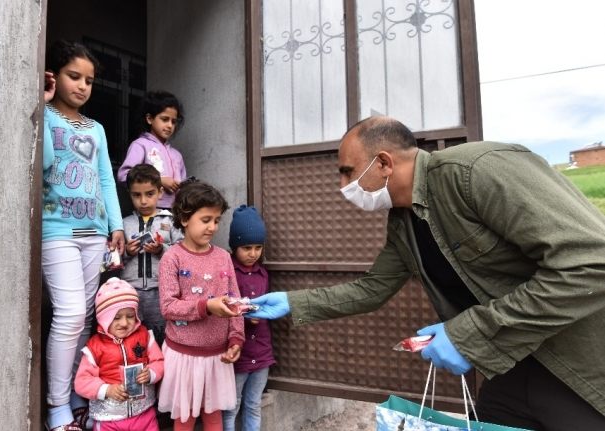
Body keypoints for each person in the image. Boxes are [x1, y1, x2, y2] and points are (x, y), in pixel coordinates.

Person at [247, 116, 605, 431]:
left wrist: (470, 333)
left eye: (347, 171)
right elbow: (373, 288)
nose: (342, 185)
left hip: (576, 366)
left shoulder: (476, 170)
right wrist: (291, 301)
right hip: (507, 365)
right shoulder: (403, 222)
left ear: (383, 162)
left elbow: (590, 262)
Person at [42, 39, 125, 431]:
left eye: (88, 80)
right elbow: (42, 163)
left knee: (88, 317)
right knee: (71, 313)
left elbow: (107, 179)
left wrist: (117, 226)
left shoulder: (97, 129)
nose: (82, 86)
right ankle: (57, 405)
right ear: (54, 76)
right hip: (56, 230)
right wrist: (40, 106)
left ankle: (79, 392)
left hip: (94, 233)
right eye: (73, 76)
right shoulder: (44, 116)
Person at [157, 180, 245, 431]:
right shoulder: (172, 258)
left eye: (216, 220)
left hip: (217, 356)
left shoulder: (223, 257)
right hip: (183, 355)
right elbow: (168, 306)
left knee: (213, 416)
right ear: (185, 218)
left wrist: (236, 339)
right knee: (183, 418)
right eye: (205, 219)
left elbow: (235, 302)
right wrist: (206, 306)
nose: (212, 227)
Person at [74, 277, 164, 431]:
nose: (124, 323)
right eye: (116, 317)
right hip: (110, 419)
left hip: (144, 413)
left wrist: (151, 374)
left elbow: (159, 361)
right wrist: (106, 390)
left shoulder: (144, 336)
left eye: (130, 316)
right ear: (103, 318)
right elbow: (82, 382)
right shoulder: (95, 347)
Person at [222, 206, 275, 431]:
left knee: (253, 404)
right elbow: (222, 307)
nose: (252, 253)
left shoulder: (263, 274)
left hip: (262, 351)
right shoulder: (227, 272)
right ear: (234, 247)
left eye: (257, 248)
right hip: (238, 352)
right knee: (231, 405)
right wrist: (244, 316)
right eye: (246, 248)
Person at [122, 163, 184, 346]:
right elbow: (110, 256)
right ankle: (139, 373)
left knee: (162, 337)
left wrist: (161, 249)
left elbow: (183, 252)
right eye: (136, 195)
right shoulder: (124, 223)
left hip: (161, 290)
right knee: (133, 339)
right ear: (130, 195)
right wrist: (126, 251)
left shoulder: (170, 221)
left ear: (160, 192)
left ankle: (163, 373)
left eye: (149, 194)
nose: (143, 201)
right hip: (130, 291)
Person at [117, 91, 186, 209]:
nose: (170, 125)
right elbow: (124, 175)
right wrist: (159, 180)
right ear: (149, 119)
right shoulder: (140, 145)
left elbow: (184, 188)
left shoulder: (177, 155)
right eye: (165, 119)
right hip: (148, 211)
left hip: (175, 214)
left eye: (173, 121)